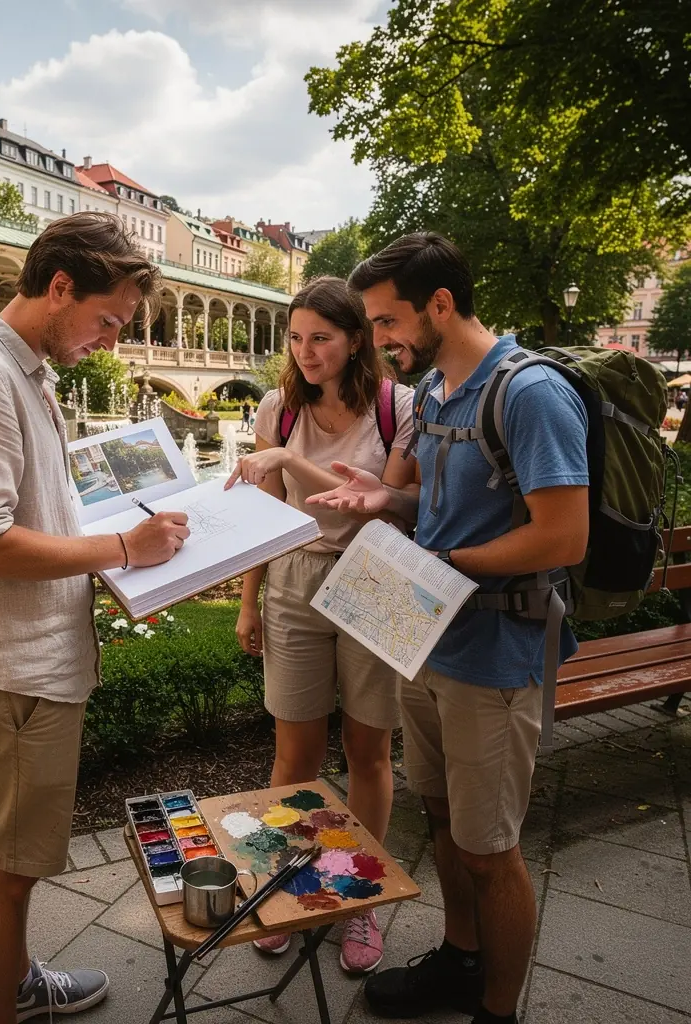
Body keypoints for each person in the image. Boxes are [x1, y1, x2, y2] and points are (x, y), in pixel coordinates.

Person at [0, 212, 190, 1024]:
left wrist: (113, 554)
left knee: (16, 861)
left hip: (32, 661)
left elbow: (24, 519)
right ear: (59, 286)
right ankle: (6, 1005)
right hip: (12, 669)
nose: (110, 340)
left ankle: (20, 979)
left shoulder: (19, 369)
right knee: (6, 867)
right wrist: (121, 550)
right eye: (107, 320)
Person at [309, 233, 589, 1024]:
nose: (378, 339)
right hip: (429, 640)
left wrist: (444, 565)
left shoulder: (529, 393)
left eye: (387, 321)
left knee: (492, 850)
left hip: (496, 655)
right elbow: (433, 505)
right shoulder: (434, 390)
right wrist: (384, 498)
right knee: (441, 819)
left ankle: (497, 1011)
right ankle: (461, 960)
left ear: (440, 304)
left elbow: (563, 537)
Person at [224, 276, 418, 972]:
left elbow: (372, 507)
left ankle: (358, 899)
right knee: (293, 754)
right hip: (297, 578)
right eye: (297, 337)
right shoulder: (278, 409)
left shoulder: (398, 406)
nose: (306, 352)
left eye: (322, 338)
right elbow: (264, 521)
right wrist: (250, 601)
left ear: (356, 339)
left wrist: (286, 460)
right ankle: (284, 884)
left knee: (368, 752)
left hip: (376, 576)